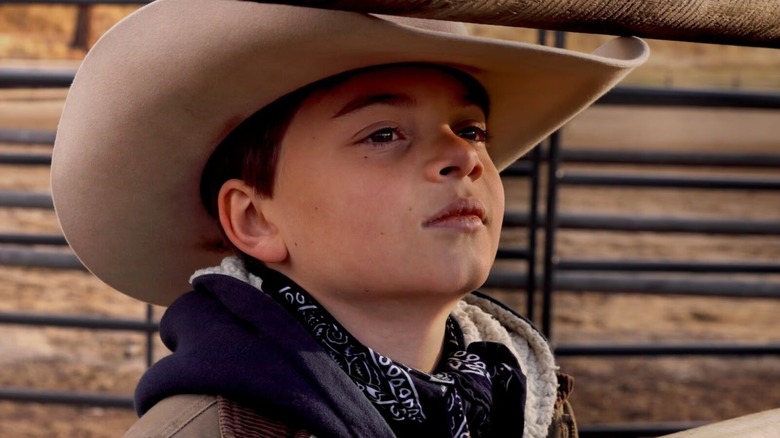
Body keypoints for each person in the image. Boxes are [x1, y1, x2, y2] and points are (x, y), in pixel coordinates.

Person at [51, 0, 648, 436]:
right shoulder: (210, 433)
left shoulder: (523, 398)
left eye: (471, 130)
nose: (463, 156)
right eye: (383, 133)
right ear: (256, 219)